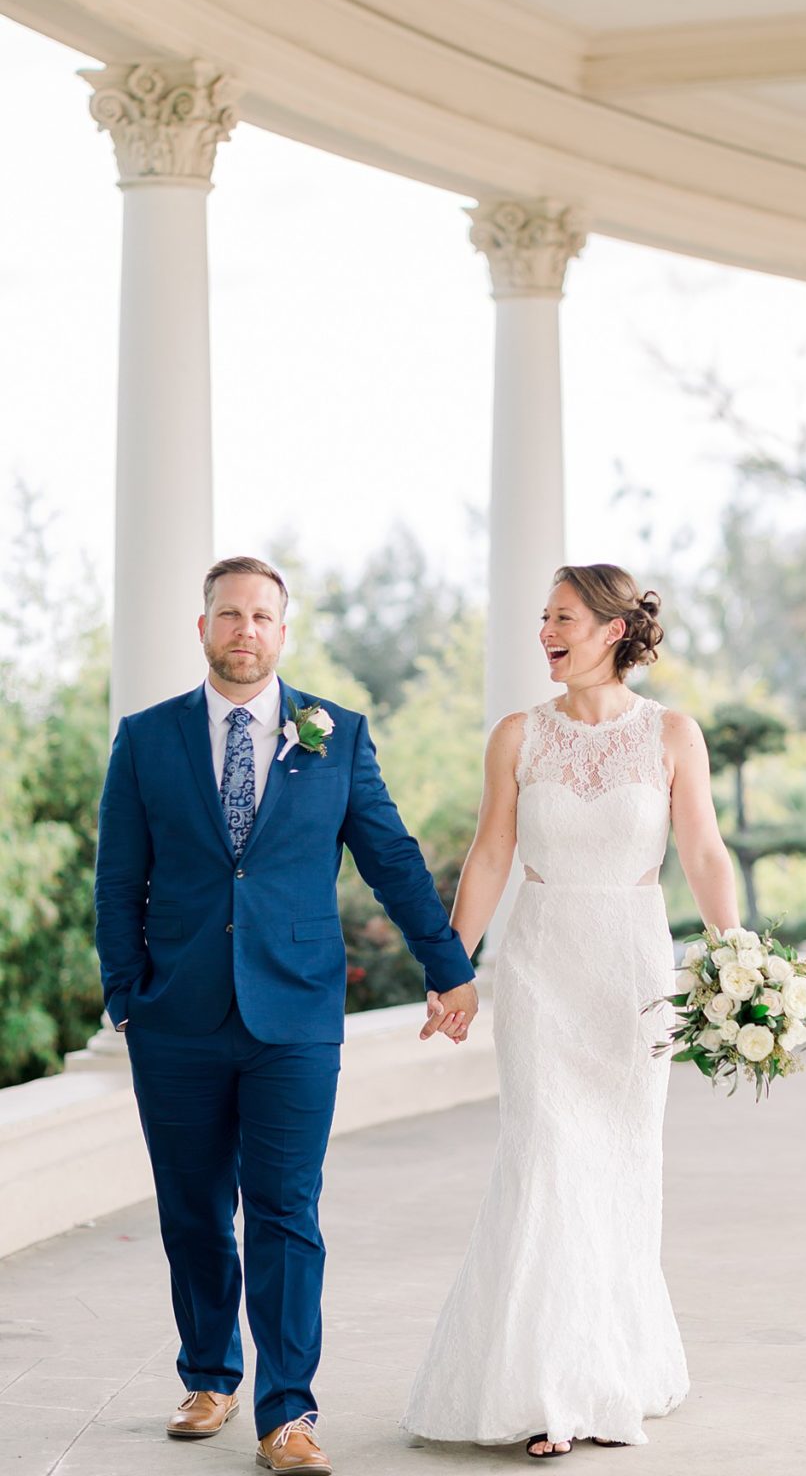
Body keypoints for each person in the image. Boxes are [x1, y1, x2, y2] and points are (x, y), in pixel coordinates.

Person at [94, 556, 478, 1475]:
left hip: (296, 1014)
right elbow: (118, 880)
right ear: (203, 628)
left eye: (262, 616)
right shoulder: (146, 738)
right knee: (192, 1208)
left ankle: (289, 1413)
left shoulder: (334, 734)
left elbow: (390, 857)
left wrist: (449, 965)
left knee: (285, 1211)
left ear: (282, 629)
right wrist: (124, 995)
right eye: (229, 615)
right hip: (176, 1015)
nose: (245, 631)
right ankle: (209, 1375)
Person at [400, 563, 741, 1458]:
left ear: (612, 630)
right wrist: (451, 965)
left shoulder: (673, 734)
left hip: (633, 973)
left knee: (621, 1169)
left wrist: (737, 951)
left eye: (562, 617)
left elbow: (703, 852)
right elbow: (489, 855)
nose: (544, 632)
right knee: (547, 1157)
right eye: (541, 617)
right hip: (543, 966)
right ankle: (552, 1389)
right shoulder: (519, 735)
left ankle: (609, 1370)